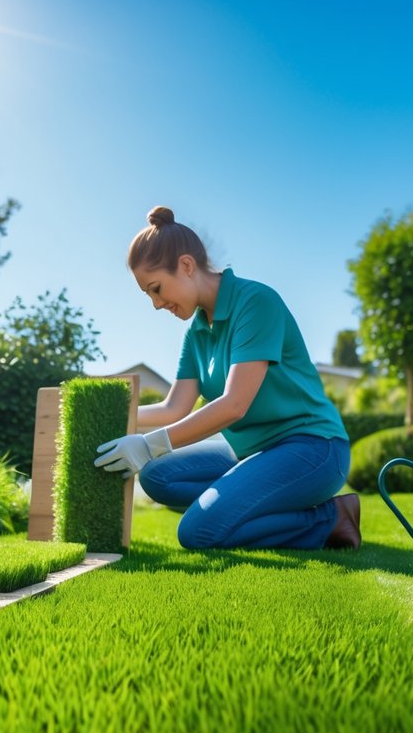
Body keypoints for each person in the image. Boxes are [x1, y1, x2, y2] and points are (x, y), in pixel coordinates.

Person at [93, 206, 361, 550]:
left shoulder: (255, 303)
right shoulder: (197, 333)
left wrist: (148, 444)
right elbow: (174, 407)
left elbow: (234, 405)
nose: (157, 304)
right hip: (249, 453)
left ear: (186, 266)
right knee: (157, 476)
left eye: (157, 288)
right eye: (149, 294)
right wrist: (112, 418)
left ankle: (330, 518)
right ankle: (246, 501)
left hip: (312, 448)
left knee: (199, 533)